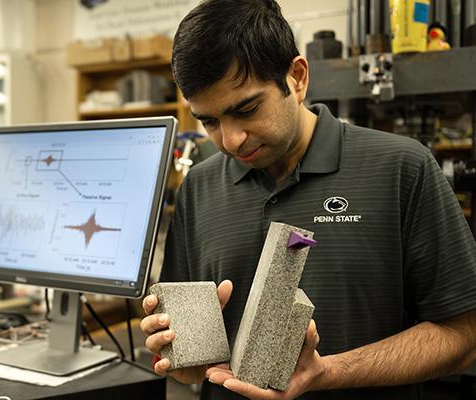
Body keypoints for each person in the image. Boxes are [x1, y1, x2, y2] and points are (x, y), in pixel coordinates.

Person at [139, 0, 476, 399]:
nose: (229, 141)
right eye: (209, 121)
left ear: (297, 78)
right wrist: (182, 358)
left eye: (246, 109)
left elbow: (464, 336)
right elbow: (187, 366)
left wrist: (328, 372)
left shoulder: (402, 168)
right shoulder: (199, 187)